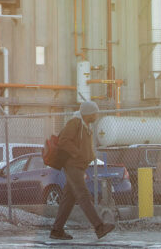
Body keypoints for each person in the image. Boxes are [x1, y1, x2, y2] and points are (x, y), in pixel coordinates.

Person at [49, 101, 116, 240]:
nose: (97, 115)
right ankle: (99, 227)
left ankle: (56, 230)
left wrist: (88, 157)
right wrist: (78, 154)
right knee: (83, 195)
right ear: (88, 114)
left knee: (68, 199)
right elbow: (64, 141)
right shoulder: (75, 123)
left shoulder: (86, 126)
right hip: (72, 165)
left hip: (79, 166)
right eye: (95, 113)